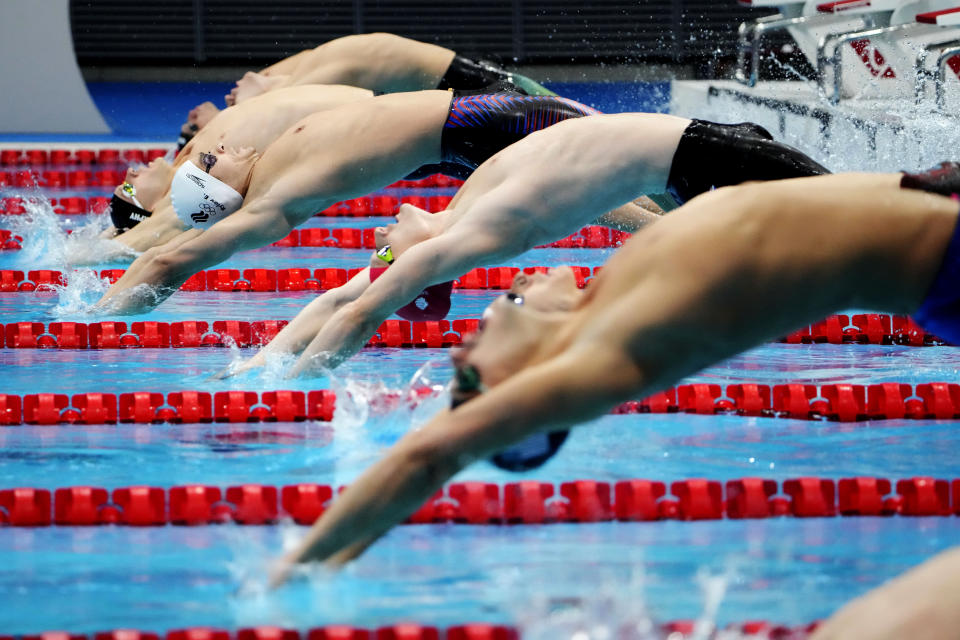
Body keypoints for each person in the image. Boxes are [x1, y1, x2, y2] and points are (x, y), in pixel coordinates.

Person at [266, 164, 960, 603]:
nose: (466, 336)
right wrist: (295, 567)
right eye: (468, 362)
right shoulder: (617, 347)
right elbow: (432, 454)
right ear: (519, 383)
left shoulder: (608, 297)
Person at [226, 113, 829, 379]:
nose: (378, 240)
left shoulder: (460, 209)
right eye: (386, 255)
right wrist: (297, 386)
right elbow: (361, 311)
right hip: (710, 163)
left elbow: (341, 298)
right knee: (887, 217)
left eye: (379, 251)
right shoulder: (471, 234)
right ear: (421, 269)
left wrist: (262, 362)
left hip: (705, 153)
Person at [91, 89, 621, 314]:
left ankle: (669, 214)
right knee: (614, 158)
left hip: (457, 133)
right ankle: (679, 212)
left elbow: (174, 238)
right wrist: (97, 313)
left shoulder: (268, 165)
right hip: (471, 124)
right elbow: (170, 259)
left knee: (602, 176)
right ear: (223, 192)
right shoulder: (273, 201)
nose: (217, 148)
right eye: (210, 163)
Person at [104, 84, 374, 251]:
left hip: (368, 104)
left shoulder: (184, 164)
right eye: (129, 188)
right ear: (149, 209)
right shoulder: (178, 205)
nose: (131, 172)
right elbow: (139, 242)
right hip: (370, 119)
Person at [178, 32, 555, 148]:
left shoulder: (316, 70)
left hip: (502, 94)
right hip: (488, 99)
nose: (230, 96)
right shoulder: (305, 70)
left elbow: (263, 117)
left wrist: (217, 122)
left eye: (234, 104)